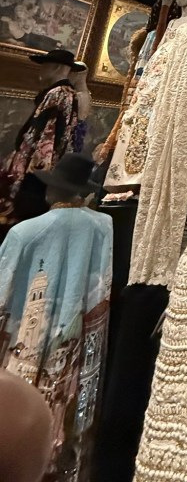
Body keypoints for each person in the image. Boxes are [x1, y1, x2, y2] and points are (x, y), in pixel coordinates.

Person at [0, 154, 112, 482]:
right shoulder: (102, 227)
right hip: (79, 338)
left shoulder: (24, 233)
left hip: (25, 342)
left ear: (52, 190)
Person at [0, 48, 83, 225]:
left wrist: (30, 165)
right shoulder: (68, 93)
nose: (41, 70)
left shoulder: (58, 93)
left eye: (45, 66)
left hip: (37, 168)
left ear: (56, 67)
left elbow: (45, 133)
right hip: (46, 166)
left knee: (26, 212)